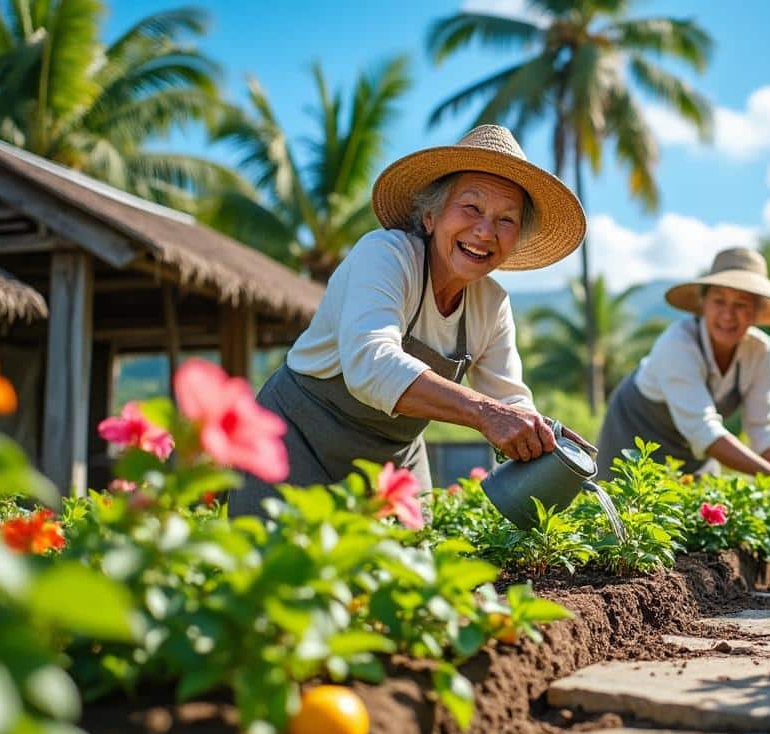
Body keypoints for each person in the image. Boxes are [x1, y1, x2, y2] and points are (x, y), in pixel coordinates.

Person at [228, 125, 587, 516]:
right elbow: (371, 364)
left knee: (415, 556)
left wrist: (542, 435)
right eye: (471, 208)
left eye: (506, 220)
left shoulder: (492, 304)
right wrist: (486, 414)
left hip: (393, 460)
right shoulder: (386, 256)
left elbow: (508, 399)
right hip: (297, 440)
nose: (485, 231)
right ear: (430, 216)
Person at [595, 247, 770, 483]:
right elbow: (703, 430)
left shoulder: (761, 351)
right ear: (703, 303)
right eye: (719, 301)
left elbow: (764, 426)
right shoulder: (678, 343)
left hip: (694, 448)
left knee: (707, 504)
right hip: (634, 437)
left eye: (741, 305)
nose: (728, 315)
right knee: (629, 502)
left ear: (756, 313)